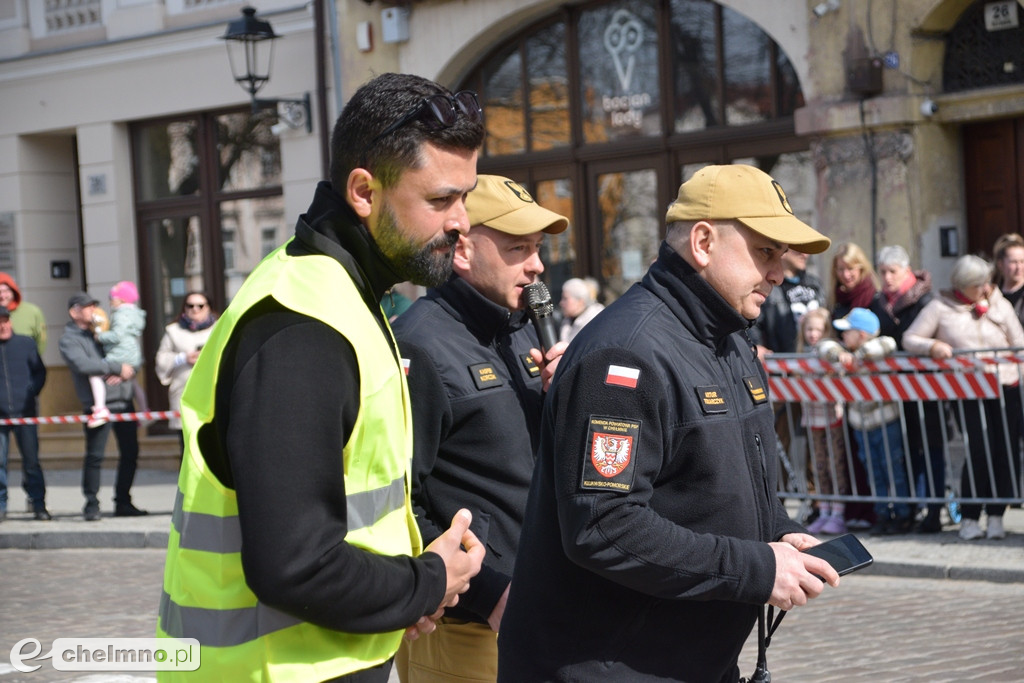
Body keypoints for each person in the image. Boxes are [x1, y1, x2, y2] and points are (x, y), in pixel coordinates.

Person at [157, 72, 487, 682]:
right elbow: (296, 565)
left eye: (464, 197)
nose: (462, 221)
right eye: (442, 200)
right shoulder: (303, 328)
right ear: (364, 191)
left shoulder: (341, 295)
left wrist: (403, 593)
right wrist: (427, 582)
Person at [498, 164, 840, 682]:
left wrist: (781, 533)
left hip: (691, 660)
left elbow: (721, 486)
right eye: (765, 251)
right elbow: (603, 525)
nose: (779, 272)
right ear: (703, 242)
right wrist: (756, 568)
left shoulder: (731, 339)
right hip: (608, 669)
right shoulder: (626, 354)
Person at [391, 174, 569, 682]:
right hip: (468, 629)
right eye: (518, 248)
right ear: (463, 251)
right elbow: (395, 500)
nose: (536, 265)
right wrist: (489, 594)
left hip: (545, 610)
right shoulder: (418, 344)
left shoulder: (522, 330)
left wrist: (570, 402)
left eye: (538, 248)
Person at [903, 254, 1024, 541]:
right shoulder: (940, 307)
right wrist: (933, 346)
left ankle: (997, 515)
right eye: (978, 284)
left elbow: (1019, 342)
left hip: (1005, 385)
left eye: (987, 282)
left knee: (1005, 450)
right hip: (968, 390)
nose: (985, 288)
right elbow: (910, 338)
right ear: (962, 284)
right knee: (980, 449)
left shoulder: (999, 303)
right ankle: (970, 516)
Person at [869, 245, 944, 533]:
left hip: (929, 388)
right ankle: (910, 509)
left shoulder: (926, 300)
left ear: (907, 271)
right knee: (907, 451)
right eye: (883, 272)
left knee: (932, 448)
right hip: (894, 389)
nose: (887, 277)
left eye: (893, 271)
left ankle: (934, 510)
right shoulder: (878, 303)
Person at [817, 308, 910, 535]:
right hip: (860, 425)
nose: (842, 336)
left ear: (861, 334)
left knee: (893, 469)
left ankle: (903, 514)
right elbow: (823, 346)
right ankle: (882, 514)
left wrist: (861, 354)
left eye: (847, 332)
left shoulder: (878, 348)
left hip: (886, 422)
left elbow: (888, 344)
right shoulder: (845, 353)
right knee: (874, 473)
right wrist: (840, 354)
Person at [58, 291, 144, 520]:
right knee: (95, 456)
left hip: (124, 401)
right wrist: (116, 368)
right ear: (74, 312)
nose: (93, 310)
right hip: (98, 407)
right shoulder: (70, 339)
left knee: (130, 453)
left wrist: (129, 370)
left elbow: (128, 352)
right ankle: (91, 504)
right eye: (87, 306)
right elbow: (84, 365)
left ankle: (123, 501)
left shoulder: (103, 331)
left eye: (94, 305)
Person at [797, 308, 850, 535]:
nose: (813, 334)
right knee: (819, 466)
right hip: (811, 417)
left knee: (835, 464)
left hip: (831, 416)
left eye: (818, 329)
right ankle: (824, 510)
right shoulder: (801, 354)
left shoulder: (831, 350)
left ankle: (838, 513)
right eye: (809, 329)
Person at [0, 306, 48, 522]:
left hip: (25, 413)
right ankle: (1, 506)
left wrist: (32, 391)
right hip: (0, 417)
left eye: (6, 320)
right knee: (0, 463)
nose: (3, 325)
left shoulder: (26, 343)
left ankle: (38, 504)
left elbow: (40, 372)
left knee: (31, 462)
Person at [154, 292, 217, 456]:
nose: (195, 309)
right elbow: (161, 359)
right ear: (184, 308)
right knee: (188, 449)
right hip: (184, 394)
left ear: (208, 308)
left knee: (213, 447)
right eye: (190, 306)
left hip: (213, 395)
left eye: (200, 306)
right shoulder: (173, 331)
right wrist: (183, 358)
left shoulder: (219, 328)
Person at [89, 281, 147, 428]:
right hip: (133, 354)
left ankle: (100, 408)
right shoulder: (135, 314)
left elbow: (117, 336)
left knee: (95, 374)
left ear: (121, 300)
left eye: (112, 298)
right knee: (134, 382)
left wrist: (100, 337)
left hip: (119, 354)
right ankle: (144, 410)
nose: (109, 301)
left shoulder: (120, 315)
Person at [750, 248, 825, 358]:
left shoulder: (815, 284)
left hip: (817, 361)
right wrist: (756, 345)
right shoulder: (769, 287)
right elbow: (754, 322)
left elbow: (827, 321)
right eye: (799, 250)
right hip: (782, 360)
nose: (805, 255)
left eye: (807, 250)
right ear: (784, 251)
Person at [829, 242, 879, 320]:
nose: (846, 275)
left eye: (850, 268)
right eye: (841, 269)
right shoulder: (836, 299)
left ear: (861, 268)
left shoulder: (874, 300)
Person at [0, 272, 47, 355]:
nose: (2, 296)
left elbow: (42, 339)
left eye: (6, 291)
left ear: (13, 291)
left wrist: (34, 359)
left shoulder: (32, 311)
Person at [558, 277, 604, 344]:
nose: (561, 303)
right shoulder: (567, 321)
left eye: (565, 299)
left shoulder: (596, 321)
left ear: (580, 301)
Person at [992, 232, 1024, 326]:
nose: (1019, 267)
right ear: (1000, 264)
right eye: (1013, 262)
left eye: (1022, 261)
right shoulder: (993, 295)